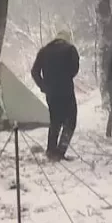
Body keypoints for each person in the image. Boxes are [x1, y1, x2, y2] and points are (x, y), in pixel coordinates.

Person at [32, 30, 80, 159]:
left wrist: (43, 86)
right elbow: (74, 69)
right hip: (66, 91)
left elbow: (34, 71)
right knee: (70, 121)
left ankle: (51, 151)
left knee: (55, 121)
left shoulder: (44, 51)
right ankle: (60, 151)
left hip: (51, 93)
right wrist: (65, 78)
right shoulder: (70, 49)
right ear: (66, 39)